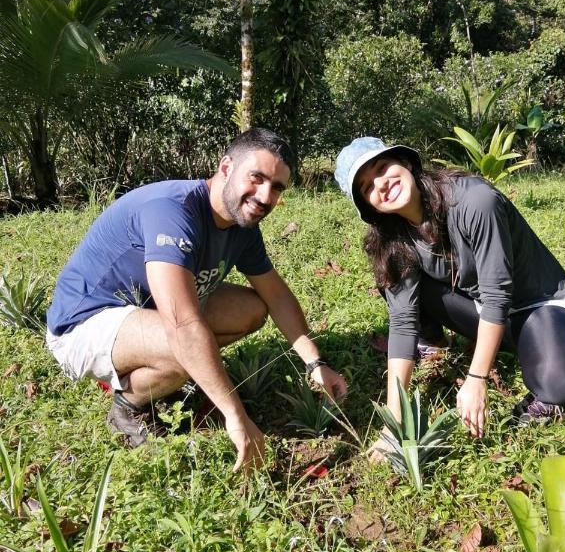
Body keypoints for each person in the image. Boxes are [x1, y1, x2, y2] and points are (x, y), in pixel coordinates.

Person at [46, 128, 347, 471]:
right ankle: (129, 406)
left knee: (250, 309)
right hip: (83, 324)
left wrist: (315, 363)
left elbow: (275, 295)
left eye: (277, 187)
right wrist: (236, 416)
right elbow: (183, 326)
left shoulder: (241, 226)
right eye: (257, 177)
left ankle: (163, 375)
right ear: (225, 167)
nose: (265, 196)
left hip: (149, 312)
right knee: (184, 346)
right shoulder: (173, 211)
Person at [334, 136, 565, 451]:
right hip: (482, 310)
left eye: (382, 167)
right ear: (369, 206)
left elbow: (498, 294)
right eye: (366, 187)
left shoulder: (474, 201)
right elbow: (403, 322)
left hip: (537, 307)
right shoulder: (395, 238)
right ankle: (434, 344)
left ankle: (542, 379)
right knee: (391, 276)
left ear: (404, 162)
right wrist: (395, 420)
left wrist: (476, 379)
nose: (381, 184)